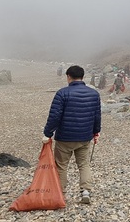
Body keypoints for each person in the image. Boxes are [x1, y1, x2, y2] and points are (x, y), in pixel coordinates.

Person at [42, 65, 101, 204]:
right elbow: (97, 116)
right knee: (84, 164)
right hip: (84, 137)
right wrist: (96, 132)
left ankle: (61, 194)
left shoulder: (62, 93)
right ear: (82, 76)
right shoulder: (94, 94)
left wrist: (47, 133)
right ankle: (85, 192)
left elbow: (55, 116)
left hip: (65, 138)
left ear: (68, 77)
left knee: (61, 165)